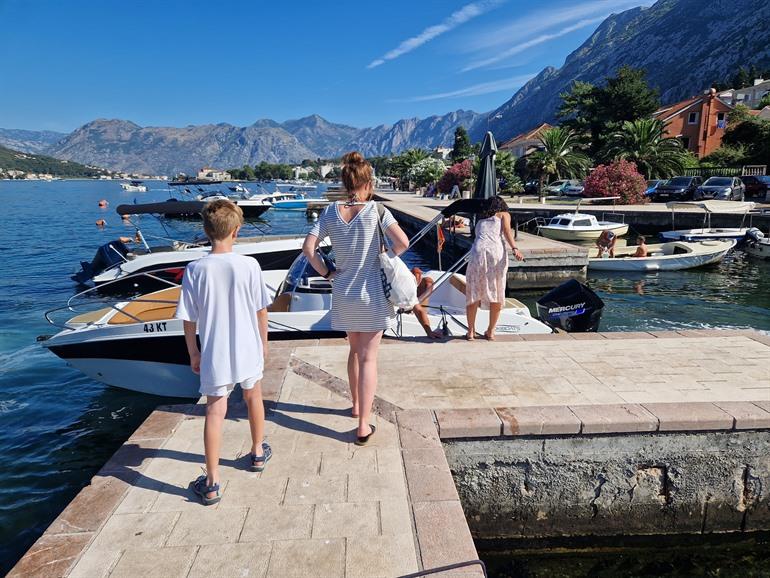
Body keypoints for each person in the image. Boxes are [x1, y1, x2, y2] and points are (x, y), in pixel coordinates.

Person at [302, 152, 409, 445]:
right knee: (369, 357)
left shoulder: (330, 211)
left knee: (354, 351)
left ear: (345, 181)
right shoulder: (376, 211)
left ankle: (356, 407)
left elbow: (308, 248)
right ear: (369, 182)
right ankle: (363, 425)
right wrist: (382, 258)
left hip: (344, 292)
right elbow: (403, 243)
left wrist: (327, 273)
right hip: (372, 292)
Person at [175, 199, 272, 506]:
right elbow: (261, 311)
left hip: (215, 351)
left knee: (215, 411)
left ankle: (213, 481)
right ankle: (257, 451)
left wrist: (193, 352)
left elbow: (189, 319)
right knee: (253, 396)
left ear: (205, 231)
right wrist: (264, 343)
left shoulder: (195, 269)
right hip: (247, 346)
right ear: (237, 231)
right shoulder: (250, 265)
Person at [465, 196, 523, 341]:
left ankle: (471, 332)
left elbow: (478, 238)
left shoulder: (480, 221)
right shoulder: (504, 214)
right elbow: (507, 231)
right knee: (497, 290)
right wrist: (515, 248)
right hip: (495, 253)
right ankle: (491, 331)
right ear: (502, 205)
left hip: (477, 252)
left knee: (474, 291)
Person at [411, 268, 442, 339]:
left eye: (418, 275)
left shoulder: (427, 280)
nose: (416, 277)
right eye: (414, 274)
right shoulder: (407, 281)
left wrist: (415, 302)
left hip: (420, 309)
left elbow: (429, 289)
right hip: (410, 308)